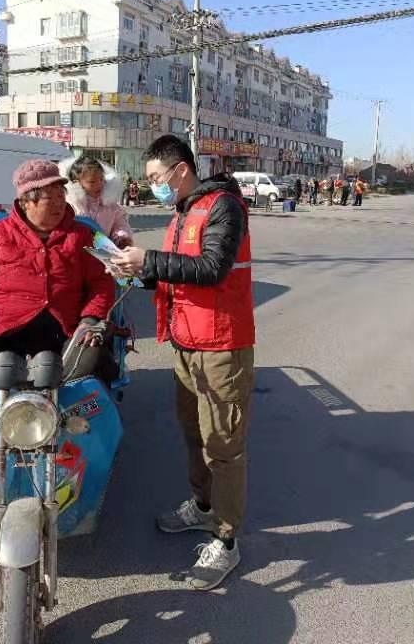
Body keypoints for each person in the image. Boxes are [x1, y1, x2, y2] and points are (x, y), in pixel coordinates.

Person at [112, 135, 255, 592]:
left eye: (155, 178)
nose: (151, 185)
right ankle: (203, 505)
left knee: (223, 445)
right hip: (187, 342)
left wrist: (149, 259)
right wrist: (139, 270)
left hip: (222, 346)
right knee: (194, 433)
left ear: (179, 170)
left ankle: (227, 541)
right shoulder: (182, 210)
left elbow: (212, 269)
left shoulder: (223, 207)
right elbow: (178, 272)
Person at [0, 160, 117, 382]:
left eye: (61, 195)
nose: (60, 204)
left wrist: (90, 320)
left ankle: (68, 415)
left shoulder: (84, 235)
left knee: (91, 362)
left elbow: (102, 282)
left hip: (65, 331)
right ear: (26, 201)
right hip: (5, 331)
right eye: (51, 198)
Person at [61, 155, 133, 248]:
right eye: (92, 182)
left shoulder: (110, 205)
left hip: (103, 253)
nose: (99, 184)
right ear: (77, 183)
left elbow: (119, 224)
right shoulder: (69, 205)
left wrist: (121, 238)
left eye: (101, 179)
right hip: (75, 252)